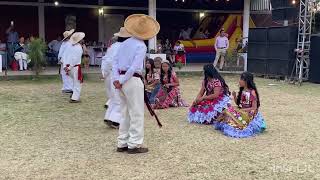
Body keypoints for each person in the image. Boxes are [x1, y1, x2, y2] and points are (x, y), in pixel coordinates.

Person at [112, 14, 159, 154]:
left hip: (121, 79)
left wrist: (117, 79)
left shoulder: (124, 43)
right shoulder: (140, 46)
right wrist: (121, 80)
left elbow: (114, 62)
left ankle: (122, 142)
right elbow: (133, 67)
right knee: (136, 113)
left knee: (124, 112)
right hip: (132, 80)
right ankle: (134, 144)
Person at [214, 72, 266, 138]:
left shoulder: (252, 92)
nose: (239, 81)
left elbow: (254, 107)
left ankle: (234, 125)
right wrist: (235, 96)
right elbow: (239, 104)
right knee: (225, 110)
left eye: (241, 79)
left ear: (246, 81)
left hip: (248, 113)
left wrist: (241, 110)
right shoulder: (243, 90)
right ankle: (221, 123)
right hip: (241, 110)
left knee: (228, 112)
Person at [101, 27, 131, 129]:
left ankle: (109, 117)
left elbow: (106, 60)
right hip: (119, 74)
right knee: (120, 98)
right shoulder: (126, 47)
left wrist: (104, 72)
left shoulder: (112, 47)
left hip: (110, 74)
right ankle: (116, 121)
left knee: (114, 97)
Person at [63, 32, 85, 103]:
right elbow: (75, 59)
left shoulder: (69, 46)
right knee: (78, 83)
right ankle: (75, 98)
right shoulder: (79, 47)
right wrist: (69, 67)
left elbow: (64, 56)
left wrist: (65, 66)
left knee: (74, 82)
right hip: (74, 67)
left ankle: (73, 94)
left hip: (68, 66)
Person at [58, 29, 74, 94]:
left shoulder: (65, 44)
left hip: (65, 60)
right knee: (66, 74)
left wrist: (60, 59)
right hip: (67, 60)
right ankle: (67, 87)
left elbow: (60, 53)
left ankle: (67, 87)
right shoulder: (68, 44)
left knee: (66, 74)